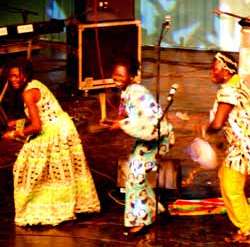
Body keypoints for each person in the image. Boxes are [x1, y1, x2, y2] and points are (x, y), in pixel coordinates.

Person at [2, 57, 100, 226]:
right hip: (63, 126)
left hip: (54, 132)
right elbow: (41, 114)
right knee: (58, 170)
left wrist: (14, 134)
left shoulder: (28, 93)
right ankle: (62, 206)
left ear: (25, 75)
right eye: (10, 77)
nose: (13, 80)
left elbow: (37, 126)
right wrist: (18, 122)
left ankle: (45, 208)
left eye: (16, 76)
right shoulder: (36, 84)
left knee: (25, 167)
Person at [200, 52, 250, 244]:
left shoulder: (229, 91)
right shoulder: (236, 83)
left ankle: (247, 227)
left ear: (226, 71)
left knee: (230, 185)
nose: (212, 71)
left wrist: (204, 130)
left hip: (247, 143)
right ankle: (246, 223)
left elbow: (217, 124)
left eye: (215, 67)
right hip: (243, 142)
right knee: (227, 180)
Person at [107, 57, 174, 235]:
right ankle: (154, 208)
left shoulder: (137, 92)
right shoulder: (127, 91)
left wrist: (122, 124)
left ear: (131, 76)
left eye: (121, 75)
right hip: (149, 139)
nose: (116, 78)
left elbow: (150, 122)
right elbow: (126, 114)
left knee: (135, 177)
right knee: (136, 175)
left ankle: (141, 219)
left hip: (156, 138)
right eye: (114, 74)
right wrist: (116, 122)